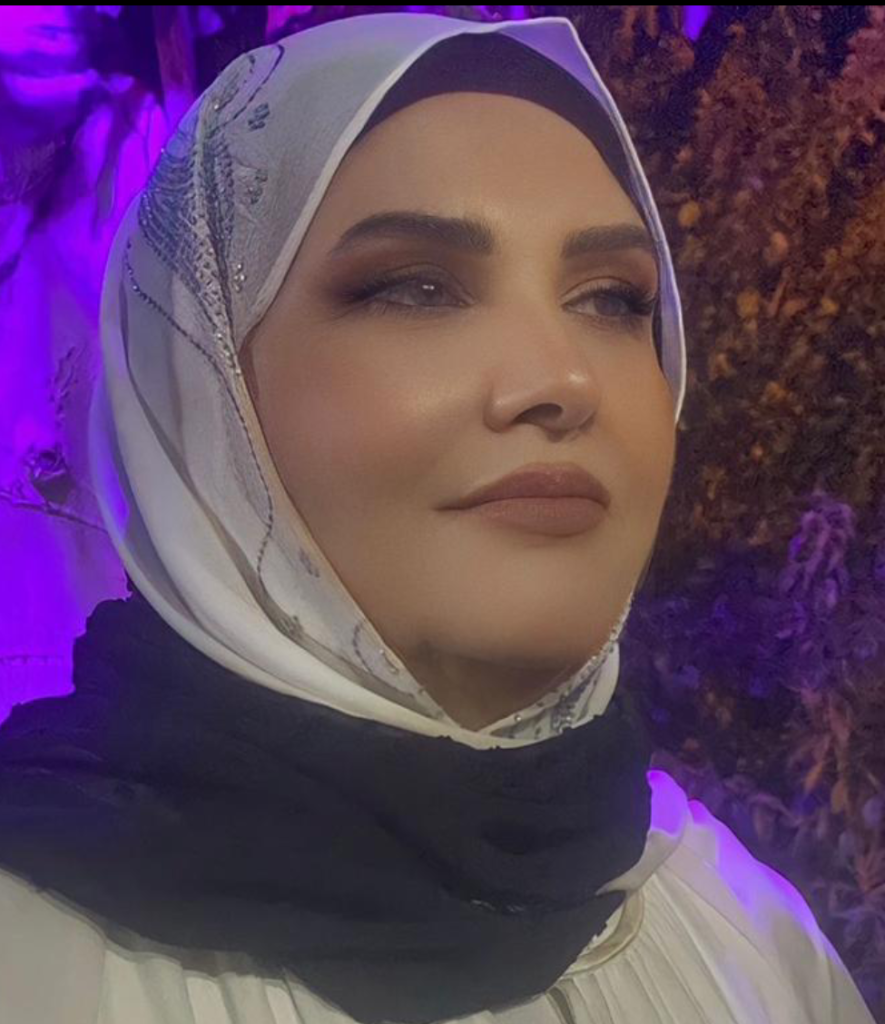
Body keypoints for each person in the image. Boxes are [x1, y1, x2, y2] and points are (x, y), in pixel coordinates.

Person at [0, 12, 875, 1024]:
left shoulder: (745, 941)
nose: (562, 380)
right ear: (198, 390)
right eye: (418, 287)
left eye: (611, 300)